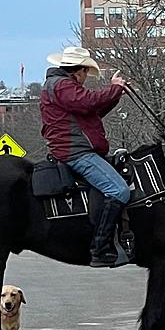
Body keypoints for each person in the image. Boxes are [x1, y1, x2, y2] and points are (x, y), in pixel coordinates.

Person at [40, 46, 130, 267]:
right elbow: (88, 102)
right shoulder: (62, 85)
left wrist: (115, 93)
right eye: (85, 74)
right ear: (77, 71)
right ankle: (100, 248)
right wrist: (114, 88)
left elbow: (92, 111)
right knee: (119, 190)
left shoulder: (60, 86)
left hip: (74, 149)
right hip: (75, 151)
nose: (85, 80)